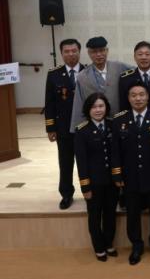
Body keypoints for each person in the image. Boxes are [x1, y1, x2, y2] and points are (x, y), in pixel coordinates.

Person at [111, 83, 150, 264]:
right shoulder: (119, 119)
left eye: (141, 94)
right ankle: (136, 246)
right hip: (130, 177)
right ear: (128, 98)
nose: (138, 98)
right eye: (133, 95)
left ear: (148, 96)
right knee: (132, 214)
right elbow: (115, 151)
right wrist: (117, 174)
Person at [74, 93, 118, 262]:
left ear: (106, 107)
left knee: (110, 214)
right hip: (94, 183)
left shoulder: (113, 125)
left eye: (101, 106)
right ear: (88, 110)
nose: (98, 110)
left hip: (112, 182)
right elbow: (81, 162)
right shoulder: (82, 130)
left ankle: (108, 243)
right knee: (94, 216)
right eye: (94, 107)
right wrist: (85, 186)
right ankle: (99, 247)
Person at [45, 38, 84, 209]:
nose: (71, 54)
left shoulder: (87, 71)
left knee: (86, 163)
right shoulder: (54, 74)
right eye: (67, 51)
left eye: (74, 51)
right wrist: (50, 127)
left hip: (84, 128)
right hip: (63, 128)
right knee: (65, 163)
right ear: (61, 53)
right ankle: (66, 194)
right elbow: (49, 103)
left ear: (79, 52)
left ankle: (90, 192)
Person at [70, 36, 130, 131]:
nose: (98, 54)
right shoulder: (82, 76)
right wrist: (77, 129)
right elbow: (78, 104)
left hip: (119, 122)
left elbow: (139, 72)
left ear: (107, 51)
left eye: (102, 50)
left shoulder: (119, 67)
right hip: (94, 125)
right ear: (89, 53)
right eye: (94, 52)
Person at [119, 41, 150, 111]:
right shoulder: (125, 79)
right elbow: (123, 105)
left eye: (147, 54)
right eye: (140, 54)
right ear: (134, 57)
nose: (143, 57)